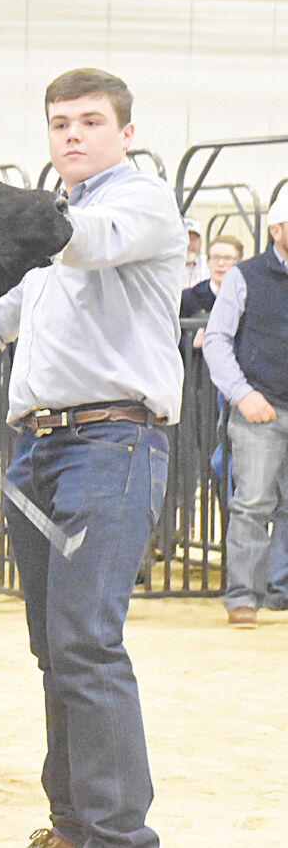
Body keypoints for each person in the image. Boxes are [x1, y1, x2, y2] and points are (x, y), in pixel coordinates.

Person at [0, 68, 183, 848]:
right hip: (37, 448)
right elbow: (2, 312)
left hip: (113, 441)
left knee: (87, 642)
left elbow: (86, 245)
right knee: (56, 647)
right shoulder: (58, 217)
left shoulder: (139, 203)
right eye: (60, 122)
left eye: (91, 121)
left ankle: (115, 835)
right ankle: (73, 823)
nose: (73, 134)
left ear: (125, 133)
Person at [202, 193, 288, 627]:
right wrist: (242, 393)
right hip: (261, 406)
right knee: (252, 503)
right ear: (277, 230)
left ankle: (281, 591)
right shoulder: (244, 276)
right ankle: (243, 597)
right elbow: (216, 340)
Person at [183, 217, 208, 288]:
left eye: (193, 239)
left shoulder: (209, 265)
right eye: (184, 238)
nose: (188, 243)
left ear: (200, 243)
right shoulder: (168, 264)